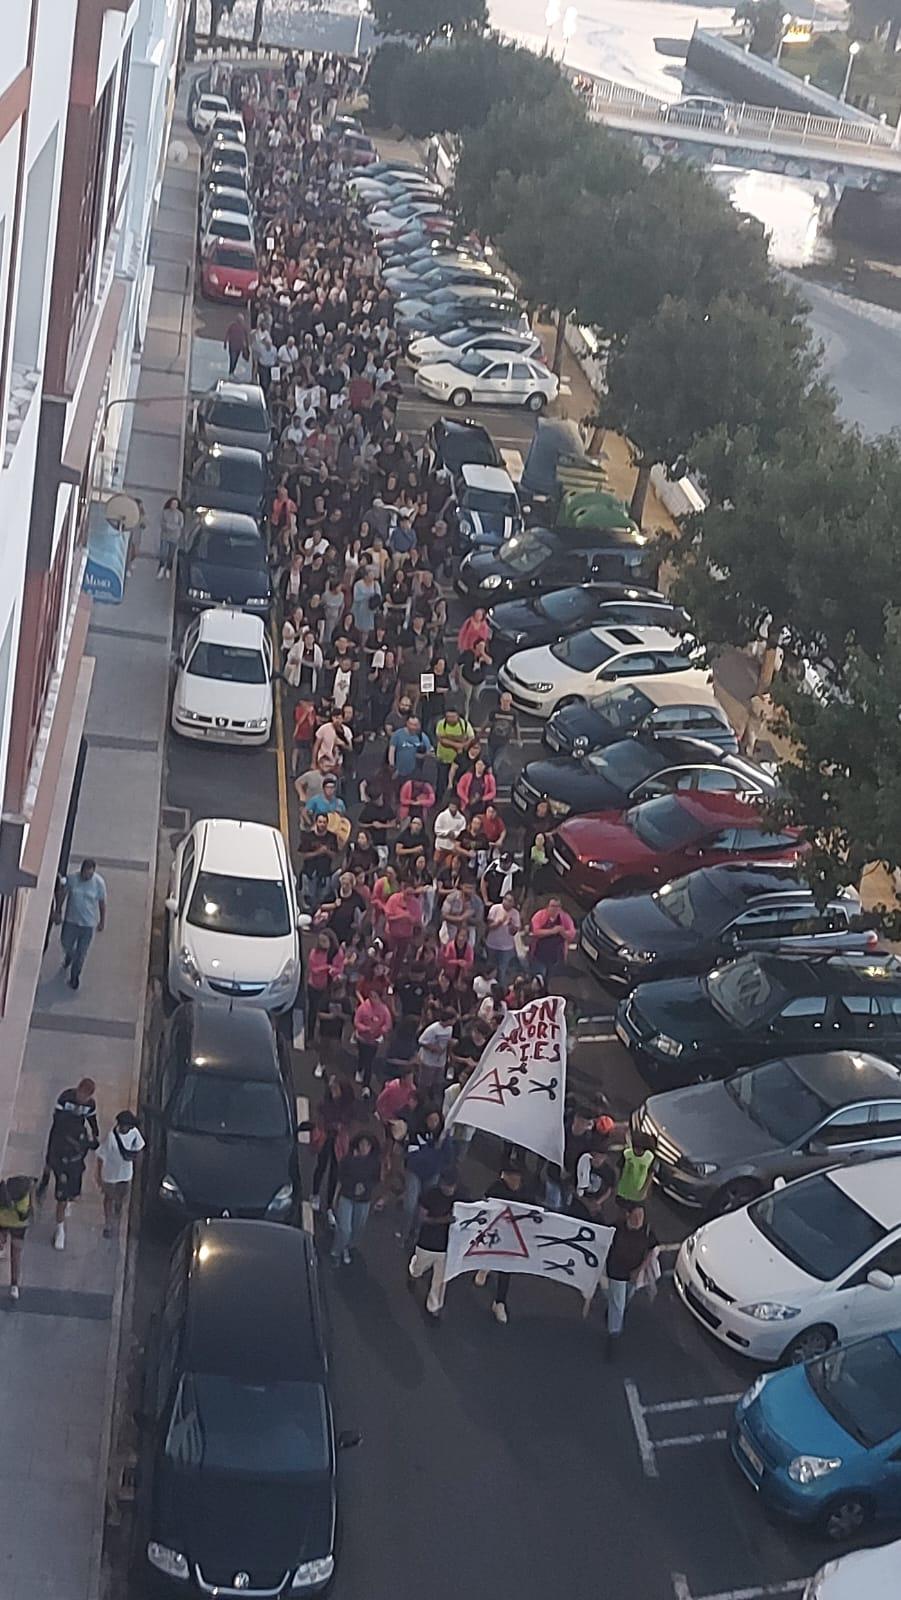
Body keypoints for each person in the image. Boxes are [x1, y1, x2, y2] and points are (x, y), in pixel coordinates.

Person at [475, 1163, 537, 1324]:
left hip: (513, 1237)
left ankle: (499, 1302)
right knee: (489, 1252)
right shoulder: (496, 1188)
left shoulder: (526, 1192)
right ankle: (484, 1267)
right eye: (511, 1177)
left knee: (505, 1268)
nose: (514, 1181)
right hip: (496, 1232)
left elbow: (533, 1212)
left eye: (517, 1177)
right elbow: (485, 1205)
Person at [408, 1168, 467, 1322]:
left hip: (447, 1246)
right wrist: (443, 1220)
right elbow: (422, 1218)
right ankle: (414, 1272)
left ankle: (434, 1307)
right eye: (447, 1185)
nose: (449, 1189)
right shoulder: (430, 1195)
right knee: (419, 1267)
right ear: (441, 1183)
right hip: (427, 1243)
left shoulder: (462, 1197)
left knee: (440, 1280)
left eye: (452, 1185)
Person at [604, 1203, 658, 1357]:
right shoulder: (616, 1229)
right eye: (636, 1216)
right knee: (618, 1304)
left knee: (625, 1299)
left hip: (634, 1273)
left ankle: (612, 1314)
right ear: (628, 1215)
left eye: (641, 1216)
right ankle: (613, 1337)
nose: (639, 1219)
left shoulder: (647, 1232)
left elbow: (651, 1251)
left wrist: (640, 1270)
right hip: (617, 1271)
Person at [56, 858, 107, 990]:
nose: (87, 876)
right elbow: (63, 894)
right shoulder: (72, 879)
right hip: (71, 921)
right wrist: (58, 910)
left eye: (90, 874)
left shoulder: (99, 883)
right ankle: (69, 956)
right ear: (81, 870)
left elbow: (102, 903)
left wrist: (102, 921)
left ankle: (74, 978)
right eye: (85, 873)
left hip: (88, 925)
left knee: (81, 954)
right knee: (65, 942)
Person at [331, 1131, 381, 1265]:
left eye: (367, 1145)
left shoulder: (374, 1163)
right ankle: (336, 1251)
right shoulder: (348, 1160)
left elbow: (376, 1180)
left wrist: (366, 1187)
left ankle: (347, 1247)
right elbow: (340, 1179)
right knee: (345, 1229)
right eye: (362, 1144)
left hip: (364, 1200)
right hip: (347, 1197)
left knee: (358, 1228)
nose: (364, 1147)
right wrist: (335, 1198)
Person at [310, 1076, 356, 1218]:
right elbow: (320, 1118)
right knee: (321, 1166)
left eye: (336, 1088)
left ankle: (329, 1204)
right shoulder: (326, 1104)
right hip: (327, 1138)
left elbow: (349, 1123)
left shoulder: (348, 1106)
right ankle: (315, 1194)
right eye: (332, 1088)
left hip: (339, 1141)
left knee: (334, 1173)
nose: (334, 1091)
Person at [95, 1111, 144, 1239]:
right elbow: (101, 1156)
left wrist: (138, 1167)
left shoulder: (134, 1134)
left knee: (121, 1197)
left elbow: (139, 1150)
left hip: (125, 1174)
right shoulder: (111, 1137)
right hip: (110, 1175)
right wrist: (99, 1175)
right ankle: (108, 1224)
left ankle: (118, 1208)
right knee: (109, 1198)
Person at [0, 1176, 34, 1300]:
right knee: (16, 1255)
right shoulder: (23, 1197)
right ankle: (14, 1285)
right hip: (18, 1226)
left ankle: (14, 1284)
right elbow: (24, 1215)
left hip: (4, 1221)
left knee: (15, 1253)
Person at [529, 897, 576, 986]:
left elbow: (571, 935)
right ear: (547, 907)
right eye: (553, 906)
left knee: (548, 978)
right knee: (538, 977)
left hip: (555, 956)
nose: (555, 909)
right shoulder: (540, 915)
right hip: (539, 954)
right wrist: (552, 931)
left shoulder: (564, 918)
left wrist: (562, 932)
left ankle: (545, 992)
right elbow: (536, 931)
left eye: (558, 906)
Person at [616, 1131, 658, 1208]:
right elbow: (619, 1169)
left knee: (637, 1216)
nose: (638, 1151)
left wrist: (644, 1192)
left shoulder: (650, 1157)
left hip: (639, 1195)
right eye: (636, 1148)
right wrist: (617, 1185)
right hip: (623, 1191)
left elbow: (650, 1175)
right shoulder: (626, 1154)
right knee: (622, 1212)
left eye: (641, 1149)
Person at [157, 495, 183, 578]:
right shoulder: (165, 512)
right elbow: (162, 523)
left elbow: (180, 525)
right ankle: (161, 567)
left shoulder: (180, 514)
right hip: (165, 536)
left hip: (174, 537)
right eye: (172, 504)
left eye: (176, 504)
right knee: (163, 553)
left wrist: (171, 527)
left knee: (171, 554)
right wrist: (168, 526)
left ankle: (168, 568)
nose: (174, 506)